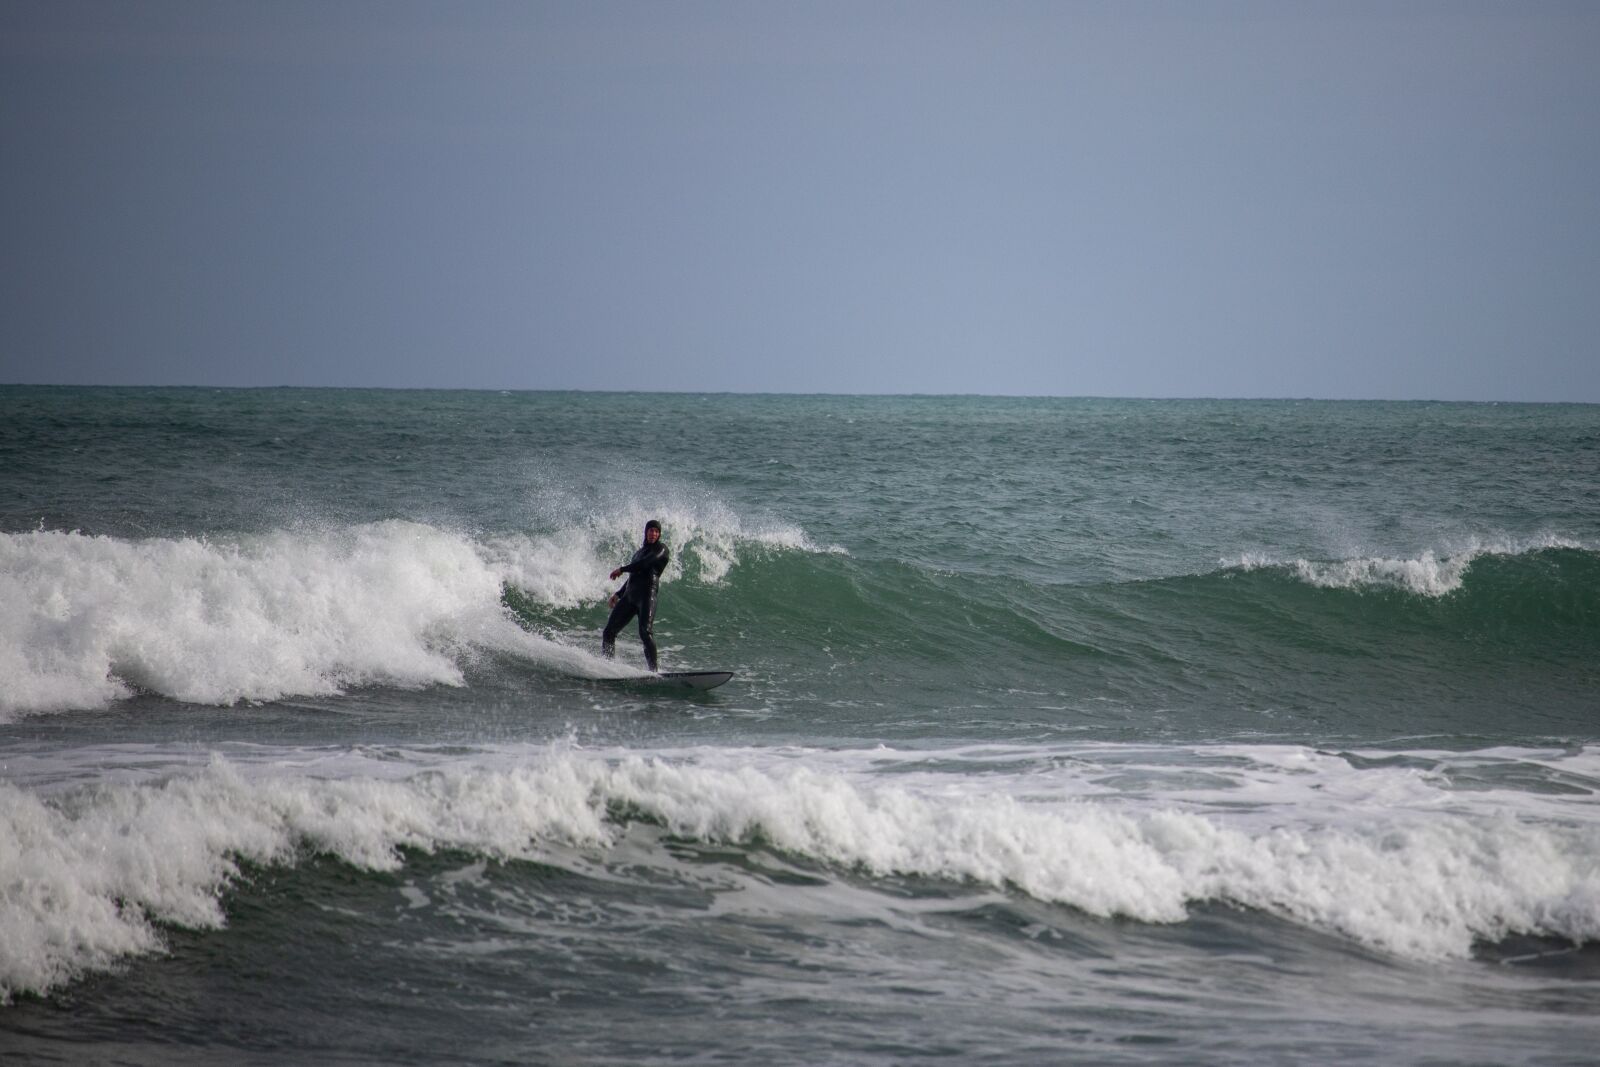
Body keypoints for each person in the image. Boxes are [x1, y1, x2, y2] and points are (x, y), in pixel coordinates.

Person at [601, 519, 670, 671]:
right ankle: (607, 666)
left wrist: (622, 569)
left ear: (659, 534)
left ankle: (654, 672)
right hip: (629, 597)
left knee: (645, 633)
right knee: (609, 632)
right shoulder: (638, 553)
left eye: (656, 531)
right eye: (651, 530)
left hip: (646, 596)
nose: (653, 533)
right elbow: (633, 576)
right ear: (646, 532)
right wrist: (618, 594)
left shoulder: (661, 550)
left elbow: (645, 564)